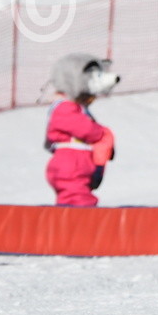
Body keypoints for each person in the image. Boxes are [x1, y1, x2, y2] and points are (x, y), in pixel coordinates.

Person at [44, 54, 119, 207]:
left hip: (78, 162)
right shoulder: (64, 107)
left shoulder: (75, 108)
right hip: (70, 163)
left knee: (77, 194)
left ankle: (75, 214)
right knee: (76, 197)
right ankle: (79, 217)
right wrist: (100, 132)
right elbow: (84, 128)